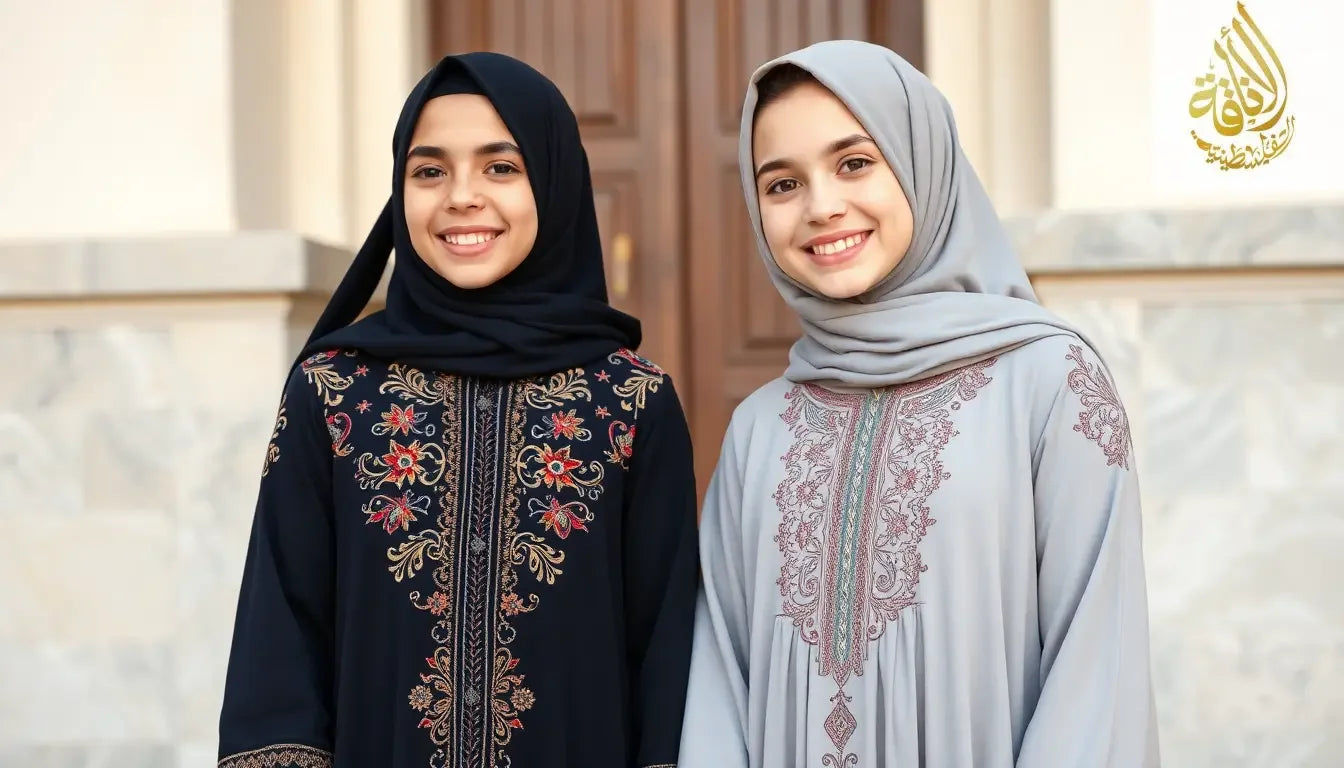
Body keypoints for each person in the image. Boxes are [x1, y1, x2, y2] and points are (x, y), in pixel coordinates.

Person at [677, 40, 1160, 767]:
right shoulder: (761, 427)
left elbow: (1095, 666)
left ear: (924, 161)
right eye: (781, 185)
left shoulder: (1050, 380)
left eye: (855, 163)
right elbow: (719, 680)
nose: (822, 207)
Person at [218, 52, 698, 768]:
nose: (461, 197)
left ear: (555, 182)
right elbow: (280, 640)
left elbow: (668, 659)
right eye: (429, 170)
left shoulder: (629, 402)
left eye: (501, 168)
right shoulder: (333, 392)